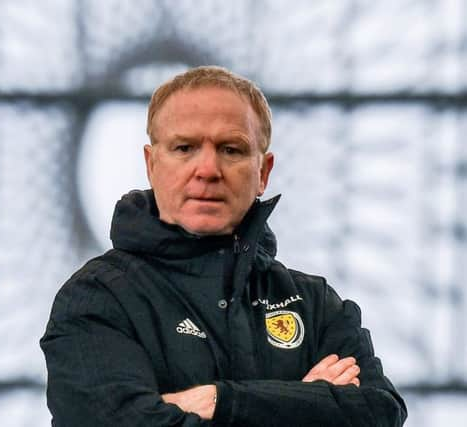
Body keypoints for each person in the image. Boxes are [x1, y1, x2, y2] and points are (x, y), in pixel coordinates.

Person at [40, 66, 407, 426]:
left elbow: (378, 413)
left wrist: (215, 400)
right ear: (152, 165)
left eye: (231, 149)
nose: (208, 169)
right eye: (185, 148)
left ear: (263, 172)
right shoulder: (98, 298)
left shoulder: (315, 306)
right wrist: (301, 403)